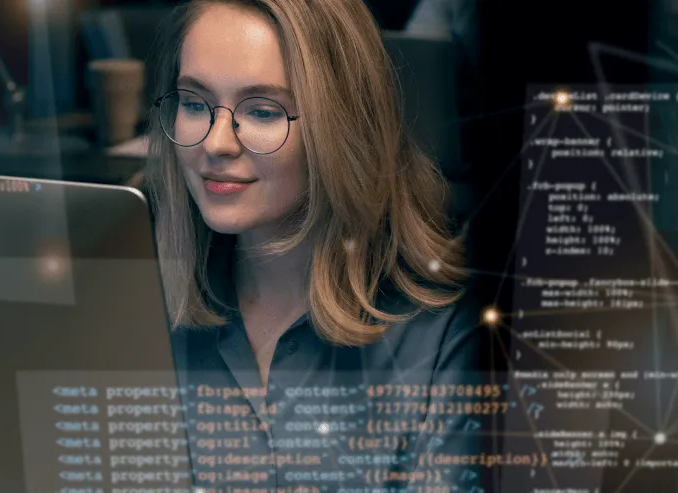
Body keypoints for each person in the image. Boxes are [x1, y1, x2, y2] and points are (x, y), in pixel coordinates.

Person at [143, 0, 491, 490]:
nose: (216, 142)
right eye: (195, 104)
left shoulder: (443, 339)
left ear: (343, 127)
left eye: (262, 111)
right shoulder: (140, 307)